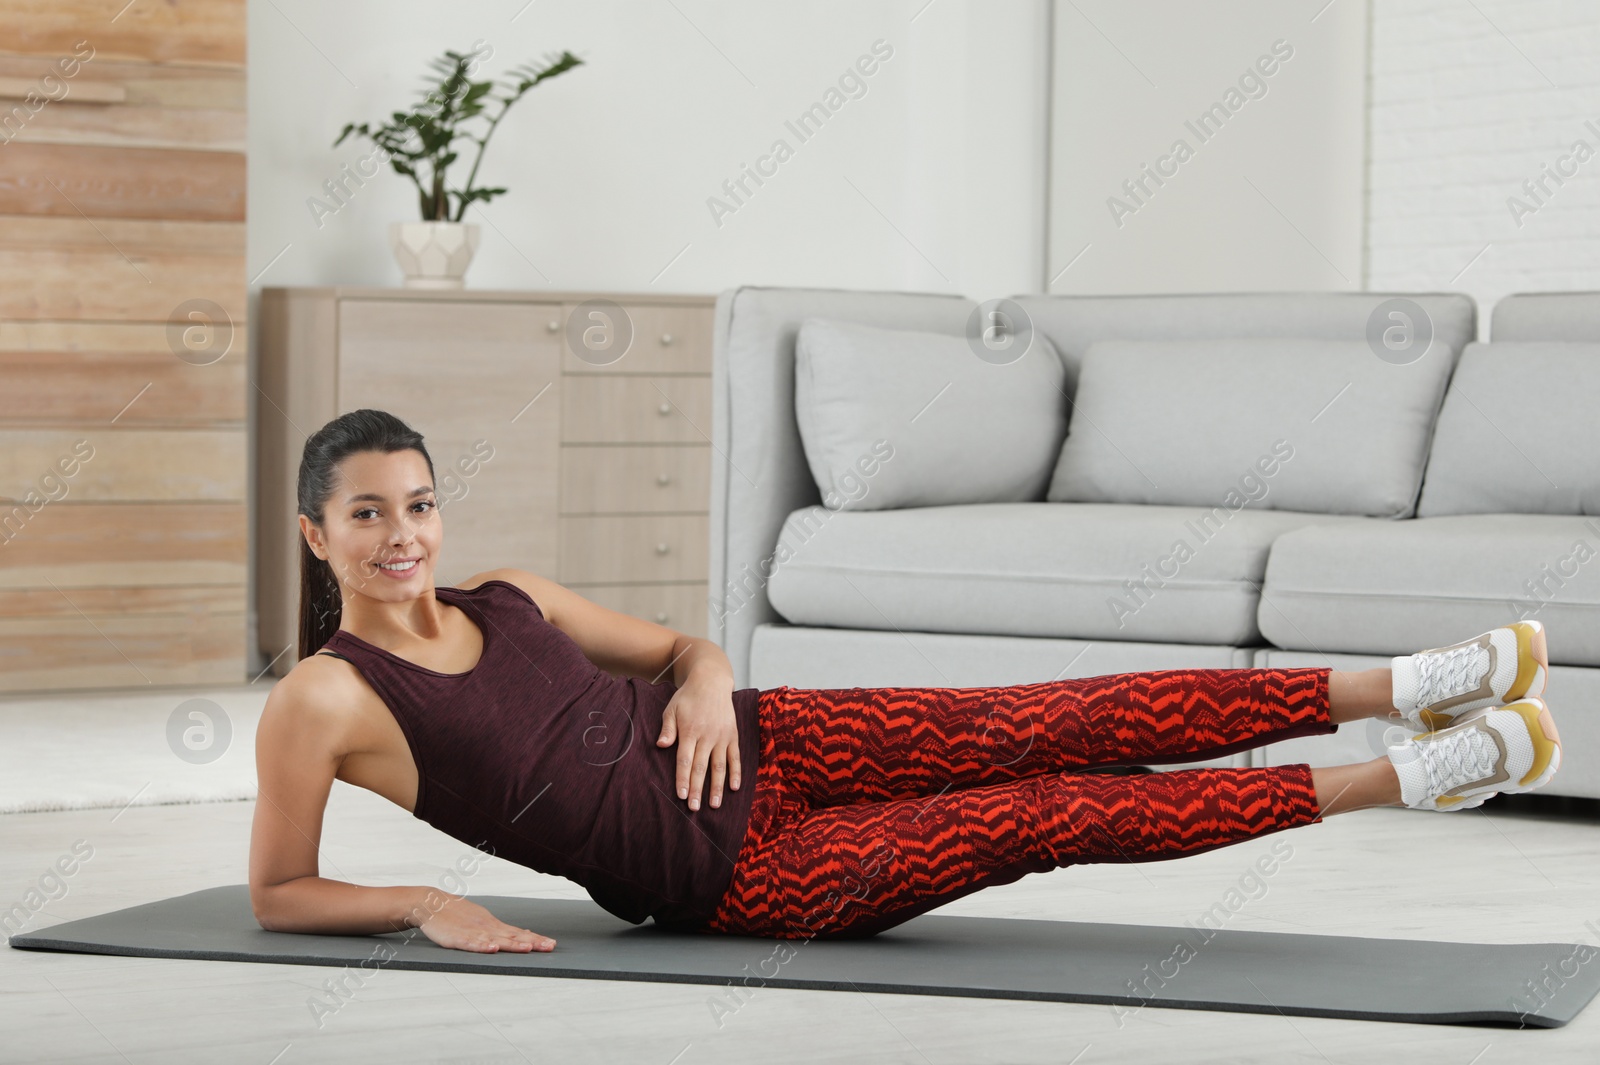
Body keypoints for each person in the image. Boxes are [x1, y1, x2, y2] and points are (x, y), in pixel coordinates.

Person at [250, 410, 1564, 953]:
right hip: (735, 875)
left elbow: (677, 651)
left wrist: (706, 680)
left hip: (771, 737)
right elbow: (275, 888)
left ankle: (1399, 680)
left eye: (417, 503)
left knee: (1042, 716)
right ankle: (1411, 774)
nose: (404, 534)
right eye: (366, 515)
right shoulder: (325, 696)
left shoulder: (516, 595)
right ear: (319, 535)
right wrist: (427, 901)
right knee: (1048, 810)